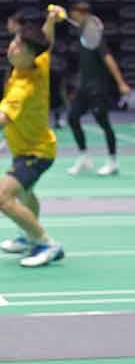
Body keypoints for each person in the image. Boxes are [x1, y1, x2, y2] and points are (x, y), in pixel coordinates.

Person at [0, 20, 64, 267]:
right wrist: (51, 19)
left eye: (19, 46)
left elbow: (3, 119)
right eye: (14, 41)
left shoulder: (23, 88)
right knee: (26, 194)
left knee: (3, 197)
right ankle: (29, 237)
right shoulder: (40, 61)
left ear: (29, 55)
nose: (12, 47)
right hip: (29, 147)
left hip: (35, 152)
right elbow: (47, 40)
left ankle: (46, 243)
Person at [55, 2, 129, 177]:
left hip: (97, 87)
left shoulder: (93, 34)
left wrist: (121, 83)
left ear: (81, 13)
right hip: (84, 87)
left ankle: (112, 162)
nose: (73, 17)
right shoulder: (84, 29)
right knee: (73, 118)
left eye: (74, 14)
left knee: (104, 123)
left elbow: (108, 58)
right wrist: (62, 15)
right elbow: (72, 22)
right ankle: (84, 157)